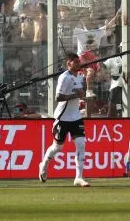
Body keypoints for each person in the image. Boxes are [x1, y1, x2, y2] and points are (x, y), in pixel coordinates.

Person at [38, 52, 90, 187]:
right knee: (58, 146)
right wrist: (75, 95)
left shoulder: (79, 76)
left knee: (81, 143)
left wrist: (83, 91)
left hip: (76, 116)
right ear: (69, 63)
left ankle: (79, 177)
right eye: (76, 62)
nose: (79, 64)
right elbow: (58, 97)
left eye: (79, 61)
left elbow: (81, 92)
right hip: (62, 117)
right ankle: (44, 164)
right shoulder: (64, 78)